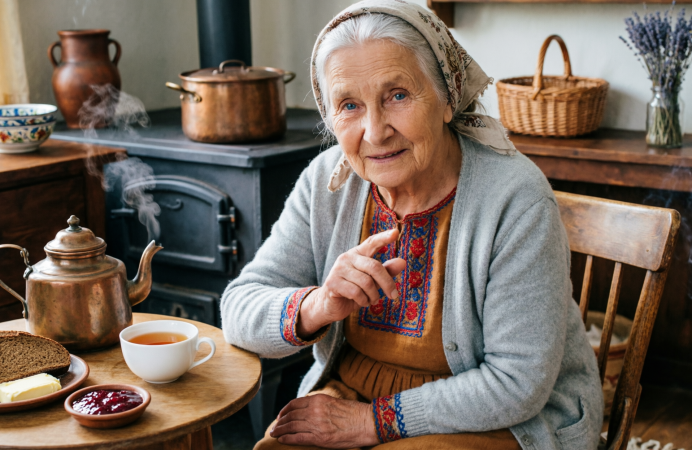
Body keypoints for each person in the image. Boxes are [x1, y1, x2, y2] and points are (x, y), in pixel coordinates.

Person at [220, 1, 603, 449]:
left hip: (494, 416)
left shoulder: (515, 198)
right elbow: (238, 310)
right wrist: (319, 304)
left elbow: (517, 383)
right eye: (349, 105)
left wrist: (372, 422)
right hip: (353, 394)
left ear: (447, 98)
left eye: (397, 95)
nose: (375, 131)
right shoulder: (327, 183)